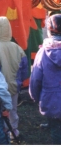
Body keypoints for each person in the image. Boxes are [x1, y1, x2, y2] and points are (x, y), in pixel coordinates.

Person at [0, 16, 28, 140]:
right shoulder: (17, 47)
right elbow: (24, 68)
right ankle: (13, 129)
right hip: (14, 85)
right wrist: (20, 82)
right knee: (12, 108)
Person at [29, 14, 61, 145]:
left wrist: (35, 96)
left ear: (48, 31)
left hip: (51, 98)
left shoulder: (42, 53)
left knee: (56, 130)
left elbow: (36, 78)